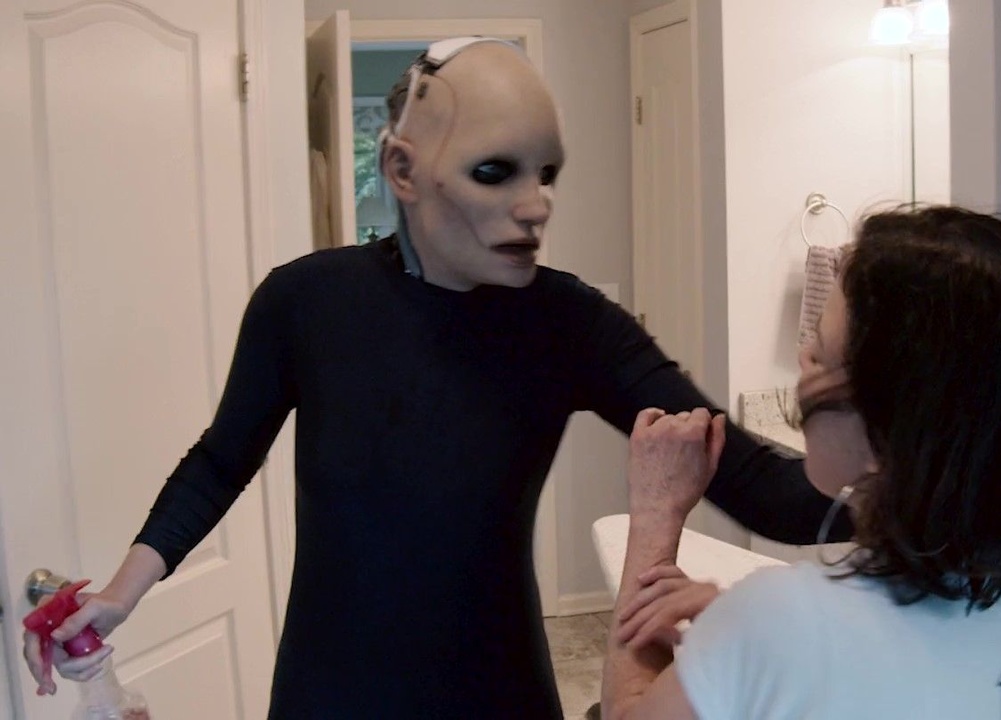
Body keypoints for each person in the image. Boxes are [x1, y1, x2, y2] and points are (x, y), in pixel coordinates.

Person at [22, 37, 847, 718]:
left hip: (499, 694)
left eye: (545, 173)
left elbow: (763, 490)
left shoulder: (568, 323)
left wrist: (903, 462)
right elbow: (220, 460)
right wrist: (124, 592)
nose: (535, 205)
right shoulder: (306, 302)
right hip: (328, 694)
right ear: (403, 170)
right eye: (494, 172)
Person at [602, 206, 1001, 719]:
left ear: (903, 426)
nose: (804, 357)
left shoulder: (775, 626)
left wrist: (656, 512)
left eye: (824, 353)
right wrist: (737, 632)